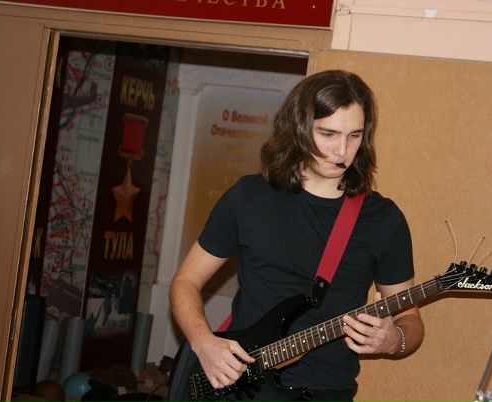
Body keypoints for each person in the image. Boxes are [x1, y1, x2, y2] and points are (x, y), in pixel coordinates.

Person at [168, 69, 424, 401]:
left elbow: (410, 319)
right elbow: (185, 282)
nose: (342, 151)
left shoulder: (382, 220)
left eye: (354, 136)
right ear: (299, 128)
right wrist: (204, 343)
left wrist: (393, 341)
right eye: (328, 134)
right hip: (239, 387)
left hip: (325, 391)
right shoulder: (249, 196)